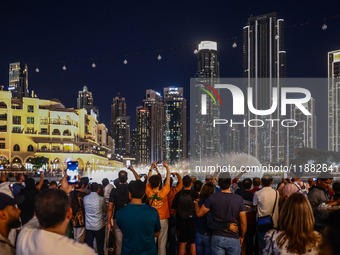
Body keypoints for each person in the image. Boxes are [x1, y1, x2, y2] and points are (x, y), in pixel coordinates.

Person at [16, 176, 96, 255]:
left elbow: (34, 220)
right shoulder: (83, 252)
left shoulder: (25, 237)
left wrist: (63, 191)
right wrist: (63, 191)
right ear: (69, 213)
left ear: (35, 214)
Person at [195, 172, 247, 255]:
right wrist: (242, 236)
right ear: (230, 183)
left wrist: (196, 204)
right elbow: (243, 222)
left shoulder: (213, 197)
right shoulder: (239, 199)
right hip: (233, 236)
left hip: (217, 237)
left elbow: (199, 214)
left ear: (218, 183)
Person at [116, 180, 161, 255]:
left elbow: (123, 230)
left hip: (128, 252)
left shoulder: (120, 213)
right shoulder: (153, 212)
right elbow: (157, 232)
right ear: (143, 195)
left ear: (129, 194)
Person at [107, 166, 140, 255]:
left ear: (118, 179)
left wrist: (109, 222)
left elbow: (110, 208)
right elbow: (138, 180)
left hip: (118, 219)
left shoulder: (114, 190)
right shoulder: (130, 188)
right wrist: (133, 169)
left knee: (119, 244)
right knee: (130, 242)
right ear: (127, 178)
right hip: (130, 218)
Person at [146, 161, 171, 255]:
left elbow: (148, 180)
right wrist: (167, 167)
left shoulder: (148, 191)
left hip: (151, 219)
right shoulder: (163, 192)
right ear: (160, 183)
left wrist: (151, 168)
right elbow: (168, 180)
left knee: (152, 242)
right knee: (162, 243)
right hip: (163, 219)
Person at [172, 175, 198, 255]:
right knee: (193, 243)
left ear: (182, 184)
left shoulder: (178, 194)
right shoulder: (195, 194)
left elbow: (173, 209)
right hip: (193, 222)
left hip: (181, 221)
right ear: (191, 184)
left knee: (182, 243)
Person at [253, 175, 279, 254]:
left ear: (261, 183)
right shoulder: (276, 193)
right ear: (271, 182)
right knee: (274, 245)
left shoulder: (257, 193)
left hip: (262, 222)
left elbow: (255, 205)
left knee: (263, 246)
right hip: (274, 222)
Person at [83, 182, 106, 255]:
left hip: (88, 225)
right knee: (100, 247)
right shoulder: (101, 199)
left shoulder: (85, 198)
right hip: (99, 225)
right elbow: (104, 210)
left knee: (89, 246)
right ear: (98, 190)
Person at [236, 178, 256, 255]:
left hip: (238, 220)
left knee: (238, 241)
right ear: (251, 186)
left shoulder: (238, 192)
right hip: (250, 221)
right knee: (249, 242)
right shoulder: (253, 196)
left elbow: (234, 182)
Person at [194, 182, 214, 255]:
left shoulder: (198, 202)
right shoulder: (213, 203)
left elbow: (196, 216)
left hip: (199, 233)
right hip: (209, 233)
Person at [166, 172, 183, 255]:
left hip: (165, 215)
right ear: (172, 183)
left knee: (165, 233)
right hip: (173, 214)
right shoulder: (174, 191)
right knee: (173, 232)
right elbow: (181, 184)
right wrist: (177, 174)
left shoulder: (163, 192)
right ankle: (172, 251)